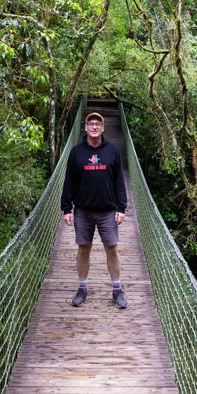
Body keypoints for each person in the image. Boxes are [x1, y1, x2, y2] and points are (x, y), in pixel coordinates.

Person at [61, 111, 128, 309]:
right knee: (83, 248)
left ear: (103, 128)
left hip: (108, 210)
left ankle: (117, 290)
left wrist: (121, 207)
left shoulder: (112, 151)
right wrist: (67, 209)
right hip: (82, 210)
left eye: (98, 124)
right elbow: (69, 182)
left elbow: (119, 181)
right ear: (85, 127)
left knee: (112, 248)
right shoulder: (76, 152)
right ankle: (82, 288)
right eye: (91, 123)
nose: (94, 127)